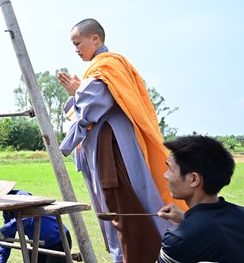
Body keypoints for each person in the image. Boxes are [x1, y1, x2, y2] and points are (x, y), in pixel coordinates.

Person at [57, 18, 186, 263]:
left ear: (95, 38)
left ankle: (141, 255)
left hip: (113, 147)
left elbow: (93, 106)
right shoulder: (104, 67)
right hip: (112, 144)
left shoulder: (107, 65)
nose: (76, 50)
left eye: (77, 43)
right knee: (120, 205)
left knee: (122, 205)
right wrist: (80, 92)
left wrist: (78, 92)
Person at [156, 135, 244, 263]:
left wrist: (188, 225)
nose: (165, 175)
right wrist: (186, 218)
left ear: (193, 179)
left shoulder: (179, 238)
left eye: (170, 169)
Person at [0, 180, 71, 263]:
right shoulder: (7, 211)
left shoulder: (23, 197)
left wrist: (2, 231)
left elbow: (26, 219)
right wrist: (2, 260)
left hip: (58, 239)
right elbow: (7, 237)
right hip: (38, 243)